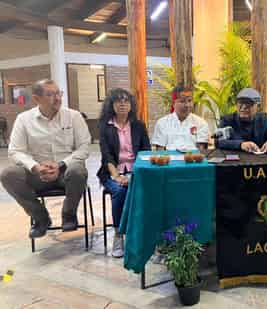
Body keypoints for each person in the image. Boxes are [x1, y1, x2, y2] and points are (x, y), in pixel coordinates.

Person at [0, 79, 90, 238]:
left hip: (66, 172)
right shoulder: (24, 119)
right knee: (8, 174)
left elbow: (84, 147)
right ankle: (40, 218)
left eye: (58, 93)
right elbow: (15, 151)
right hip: (38, 174)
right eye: (50, 95)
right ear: (37, 99)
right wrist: (35, 167)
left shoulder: (74, 116)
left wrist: (61, 165)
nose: (57, 98)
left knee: (78, 170)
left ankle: (69, 214)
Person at [97, 88, 151, 258]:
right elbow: (106, 156)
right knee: (121, 191)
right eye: (118, 101)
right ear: (111, 105)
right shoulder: (105, 128)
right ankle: (119, 235)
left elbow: (146, 152)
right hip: (112, 172)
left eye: (126, 101)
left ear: (131, 105)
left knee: (146, 190)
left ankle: (142, 234)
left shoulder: (138, 126)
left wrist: (134, 175)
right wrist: (118, 177)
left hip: (137, 170)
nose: (122, 104)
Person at [217, 88, 267, 153]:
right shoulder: (227, 120)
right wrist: (241, 145)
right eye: (240, 103)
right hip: (234, 161)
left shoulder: (264, 119)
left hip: (260, 160)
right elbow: (218, 142)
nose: (243, 107)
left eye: (249, 103)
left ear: (258, 107)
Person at [152, 85, 209, 151]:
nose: (187, 105)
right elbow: (160, 151)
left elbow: (201, 152)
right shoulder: (162, 123)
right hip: (170, 160)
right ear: (173, 103)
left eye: (189, 100)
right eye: (182, 101)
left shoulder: (201, 123)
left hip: (193, 160)